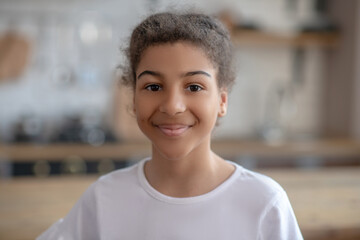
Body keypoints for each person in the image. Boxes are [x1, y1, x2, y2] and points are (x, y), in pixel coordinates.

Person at [37, 11, 303, 240]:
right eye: (153, 86)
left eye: (194, 87)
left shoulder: (264, 204)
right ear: (133, 99)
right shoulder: (104, 198)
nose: (172, 105)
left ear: (222, 101)